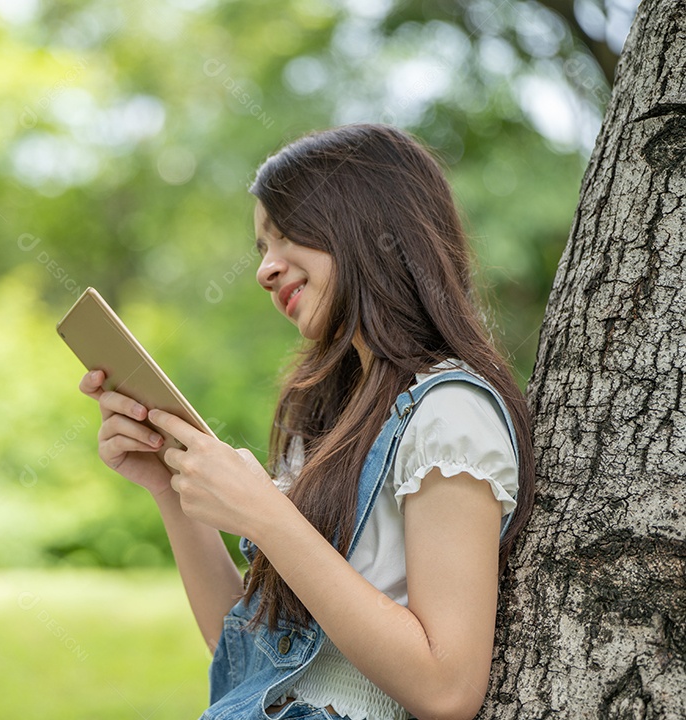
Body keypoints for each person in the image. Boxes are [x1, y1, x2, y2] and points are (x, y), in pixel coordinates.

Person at [78, 123, 535, 720]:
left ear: (370, 224)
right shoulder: (326, 418)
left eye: (287, 236)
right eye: (262, 248)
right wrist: (168, 483)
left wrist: (267, 518)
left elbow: (447, 688)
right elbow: (248, 655)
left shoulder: (449, 415)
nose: (265, 270)